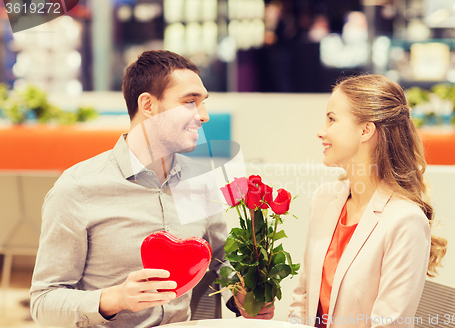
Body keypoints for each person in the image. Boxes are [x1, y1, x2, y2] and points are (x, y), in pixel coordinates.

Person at [30, 50, 273, 328]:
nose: (203, 115)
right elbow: (43, 301)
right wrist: (114, 298)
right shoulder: (79, 188)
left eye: (203, 102)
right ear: (148, 105)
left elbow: (219, 260)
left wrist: (241, 294)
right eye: (189, 102)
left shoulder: (198, 180)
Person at [288, 74, 447, 328]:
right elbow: (303, 299)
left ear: (366, 130)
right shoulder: (325, 198)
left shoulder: (405, 221)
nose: (321, 132)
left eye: (331, 119)